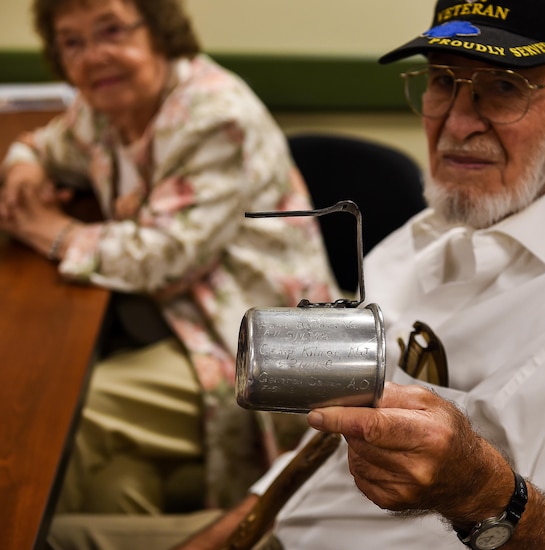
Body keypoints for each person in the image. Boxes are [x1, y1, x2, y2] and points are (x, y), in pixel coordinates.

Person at [51, 0, 545, 548]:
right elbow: (326, 448)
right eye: (442, 82)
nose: (454, 123)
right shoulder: (426, 235)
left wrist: (482, 492)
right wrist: (240, 526)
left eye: (502, 89)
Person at [0, 0, 337, 522]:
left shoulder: (214, 115)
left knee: (62, 420)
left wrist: (52, 232)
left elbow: (165, 258)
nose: (94, 56)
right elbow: (47, 144)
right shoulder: (108, 105)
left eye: (111, 30)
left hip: (258, 342)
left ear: (158, 31)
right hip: (175, 322)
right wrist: (24, 171)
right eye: (73, 42)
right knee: (115, 485)